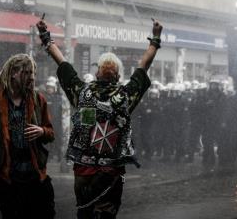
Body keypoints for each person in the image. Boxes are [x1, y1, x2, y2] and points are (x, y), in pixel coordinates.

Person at [36, 18, 162, 219]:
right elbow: (143, 66)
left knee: (84, 213)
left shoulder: (82, 91)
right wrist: (155, 38)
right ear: (118, 75)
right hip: (110, 174)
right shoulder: (125, 96)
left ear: (97, 72)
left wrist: (45, 36)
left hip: (83, 172)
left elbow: (62, 63)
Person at [0, 54, 56, 219]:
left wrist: (42, 131)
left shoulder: (37, 99)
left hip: (36, 176)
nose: (32, 77)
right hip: (10, 178)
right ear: (13, 73)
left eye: (33, 72)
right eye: (26, 72)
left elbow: (51, 133)